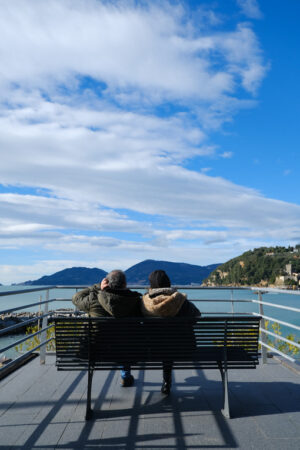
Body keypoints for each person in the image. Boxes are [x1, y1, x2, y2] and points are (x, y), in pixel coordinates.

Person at [72, 269, 141, 387]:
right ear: (124, 284)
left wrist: (97, 287)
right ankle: (125, 376)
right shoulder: (134, 301)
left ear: (107, 283)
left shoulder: (94, 299)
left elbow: (76, 298)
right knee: (125, 340)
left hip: (97, 352)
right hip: (127, 352)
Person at [141, 270, 200, 395]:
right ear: (168, 283)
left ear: (151, 285)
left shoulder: (144, 303)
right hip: (184, 349)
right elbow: (196, 317)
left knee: (163, 344)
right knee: (170, 344)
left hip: (150, 350)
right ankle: (166, 382)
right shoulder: (181, 301)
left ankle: (166, 381)